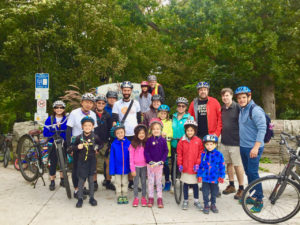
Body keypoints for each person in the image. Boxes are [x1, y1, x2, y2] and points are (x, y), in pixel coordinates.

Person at [235, 86, 266, 213]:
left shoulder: (256, 110)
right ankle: (253, 195)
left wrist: (256, 147)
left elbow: (262, 129)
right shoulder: (242, 109)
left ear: (249, 97)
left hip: (253, 148)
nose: (241, 100)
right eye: (239, 98)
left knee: (253, 173)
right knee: (248, 172)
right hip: (244, 146)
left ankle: (259, 200)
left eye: (244, 97)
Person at [66, 93, 98, 199]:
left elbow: (94, 131)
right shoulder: (74, 113)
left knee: (86, 167)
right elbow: (69, 129)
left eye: (91, 103)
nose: (88, 104)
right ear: (82, 102)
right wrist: (69, 146)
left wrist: (95, 146)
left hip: (89, 143)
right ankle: (76, 189)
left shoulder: (93, 114)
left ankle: (82, 187)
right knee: (76, 168)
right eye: (86, 102)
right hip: (77, 142)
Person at [112, 81, 141, 189]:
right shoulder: (117, 104)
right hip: (122, 135)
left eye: (128, 90)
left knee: (133, 158)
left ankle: (132, 182)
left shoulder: (136, 103)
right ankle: (123, 182)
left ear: (131, 91)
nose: (126, 92)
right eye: (125, 90)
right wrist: (116, 136)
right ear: (122, 91)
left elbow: (139, 119)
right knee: (123, 158)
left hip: (134, 134)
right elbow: (115, 121)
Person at [72, 116, 103, 208]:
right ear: (82, 127)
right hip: (81, 162)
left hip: (92, 162)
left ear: (93, 126)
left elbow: (101, 144)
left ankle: (92, 198)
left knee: (91, 180)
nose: (87, 127)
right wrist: (77, 147)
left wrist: (97, 148)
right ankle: (80, 198)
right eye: (85, 125)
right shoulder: (78, 138)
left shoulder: (95, 137)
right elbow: (71, 148)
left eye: (89, 125)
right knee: (81, 181)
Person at [220, 88, 244, 199]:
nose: (225, 97)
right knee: (228, 164)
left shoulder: (238, 107)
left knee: (238, 165)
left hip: (236, 142)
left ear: (231, 96)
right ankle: (231, 185)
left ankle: (241, 188)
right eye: (223, 96)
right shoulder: (222, 108)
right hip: (224, 142)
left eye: (227, 95)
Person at [177, 120, 204, 210]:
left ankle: (196, 200)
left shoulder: (198, 141)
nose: (189, 132)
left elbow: (201, 153)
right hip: (185, 167)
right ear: (185, 130)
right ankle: (185, 200)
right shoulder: (182, 140)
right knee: (186, 184)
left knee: (195, 184)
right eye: (188, 130)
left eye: (191, 130)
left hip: (194, 168)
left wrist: (198, 164)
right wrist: (180, 164)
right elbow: (179, 153)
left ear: (194, 131)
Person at [197, 135, 225, 214]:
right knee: (205, 192)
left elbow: (222, 166)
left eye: (211, 144)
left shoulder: (219, 154)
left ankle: (213, 204)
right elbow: (200, 165)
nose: (209, 146)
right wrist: (199, 175)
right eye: (207, 144)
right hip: (205, 178)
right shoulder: (203, 154)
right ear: (204, 145)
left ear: (215, 145)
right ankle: (206, 204)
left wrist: (221, 176)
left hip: (215, 177)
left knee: (214, 192)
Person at [43, 100, 68, 191]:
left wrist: (63, 136)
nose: (59, 109)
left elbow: (69, 131)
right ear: (54, 109)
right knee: (53, 162)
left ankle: (62, 179)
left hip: (63, 143)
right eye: (57, 107)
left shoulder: (66, 119)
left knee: (63, 161)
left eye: (61, 107)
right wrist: (54, 133)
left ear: (64, 109)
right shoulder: (50, 119)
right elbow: (45, 132)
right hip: (53, 143)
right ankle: (52, 181)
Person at [144, 118, 168, 208]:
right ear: (151, 130)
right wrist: (149, 160)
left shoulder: (163, 140)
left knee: (158, 182)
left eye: (158, 129)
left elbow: (166, 151)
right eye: (154, 129)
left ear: (161, 129)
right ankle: (150, 197)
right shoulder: (149, 140)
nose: (156, 130)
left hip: (159, 165)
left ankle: (159, 198)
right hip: (150, 165)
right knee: (150, 182)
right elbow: (146, 151)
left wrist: (162, 160)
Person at [94, 94, 115, 191]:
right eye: (99, 103)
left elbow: (111, 129)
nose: (101, 104)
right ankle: (94, 182)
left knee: (108, 162)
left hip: (106, 142)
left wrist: (111, 142)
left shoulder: (107, 115)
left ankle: (108, 181)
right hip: (94, 142)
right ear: (96, 103)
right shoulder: (91, 114)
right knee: (94, 163)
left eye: (103, 103)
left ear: (105, 104)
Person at [171, 97, 194, 183]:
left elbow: (192, 131)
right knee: (174, 163)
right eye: (179, 106)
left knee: (186, 163)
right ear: (176, 107)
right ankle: (174, 181)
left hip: (185, 144)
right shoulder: (172, 117)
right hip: (174, 143)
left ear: (186, 107)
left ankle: (188, 183)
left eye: (183, 106)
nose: (181, 107)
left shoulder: (189, 118)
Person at [109, 123, 131, 204]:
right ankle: (119, 195)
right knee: (117, 182)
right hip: (117, 168)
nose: (120, 134)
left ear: (124, 132)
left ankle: (124, 194)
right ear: (115, 135)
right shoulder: (114, 145)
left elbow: (131, 156)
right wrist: (112, 170)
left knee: (125, 182)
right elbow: (112, 158)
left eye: (121, 132)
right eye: (118, 133)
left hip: (125, 168)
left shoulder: (128, 143)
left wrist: (131, 167)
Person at [129, 124, 148, 207]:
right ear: (136, 134)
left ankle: (143, 197)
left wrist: (148, 168)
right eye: (139, 133)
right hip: (136, 167)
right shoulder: (133, 145)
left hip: (144, 167)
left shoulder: (147, 143)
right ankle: (136, 198)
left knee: (144, 182)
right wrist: (132, 169)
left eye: (143, 133)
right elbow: (131, 158)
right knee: (136, 183)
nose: (141, 135)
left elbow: (149, 155)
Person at [102, 90, 118, 190]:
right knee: (106, 159)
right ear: (107, 99)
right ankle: (107, 180)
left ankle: (114, 178)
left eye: (114, 98)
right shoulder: (104, 108)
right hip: (106, 136)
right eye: (110, 97)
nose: (112, 99)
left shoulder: (119, 107)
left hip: (117, 135)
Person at [157, 104, 173, 191]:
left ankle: (167, 181)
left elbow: (171, 133)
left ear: (167, 114)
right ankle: (158, 183)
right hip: (156, 148)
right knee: (158, 166)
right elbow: (150, 131)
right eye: (161, 113)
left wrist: (166, 135)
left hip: (166, 147)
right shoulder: (155, 121)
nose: (163, 115)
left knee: (166, 166)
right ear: (158, 113)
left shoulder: (170, 122)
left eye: (165, 113)